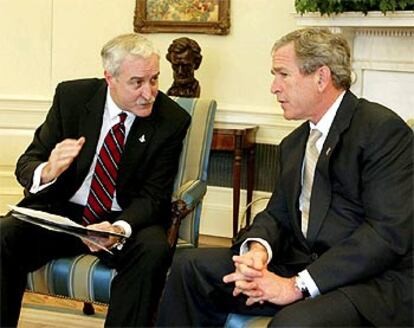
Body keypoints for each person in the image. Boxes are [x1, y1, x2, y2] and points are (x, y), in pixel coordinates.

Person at [156, 27, 413, 327]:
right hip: (300, 262)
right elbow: (277, 214)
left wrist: (296, 285)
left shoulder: (381, 130)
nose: (274, 87)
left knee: (293, 323)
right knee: (190, 268)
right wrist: (257, 250)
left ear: (321, 77)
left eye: (283, 74)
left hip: (366, 282)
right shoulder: (295, 143)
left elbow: (385, 235)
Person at [0, 33, 191, 327]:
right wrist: (48, 171)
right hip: (66, 213)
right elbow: (27, 164)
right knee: (4, 234)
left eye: (154, 79)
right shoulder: (72, 98)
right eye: (137, 82)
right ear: (109, 78)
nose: (149, 92)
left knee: (153, 250)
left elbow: (154, 196)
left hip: (126, 217)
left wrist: (118, 228)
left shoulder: (171, 119)